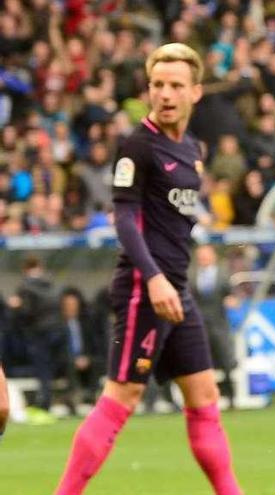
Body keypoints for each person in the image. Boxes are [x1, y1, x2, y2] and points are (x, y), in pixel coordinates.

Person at [55, 43, 242, 495]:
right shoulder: (137, 145)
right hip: (145, 286)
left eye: (176, 85)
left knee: (204, 399)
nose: (165, 94)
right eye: (157, 84)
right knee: (122, 397)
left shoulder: (192, 148)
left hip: (177, 288)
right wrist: (154, 277)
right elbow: (123, 217)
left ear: (196, 92)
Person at [7, 256, 65, 413]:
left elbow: (26, 312)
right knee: (53, 368)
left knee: (42, 369)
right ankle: (58, 401)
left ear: (25, 269)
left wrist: (16, 306)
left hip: (39, 333)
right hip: (57, 331)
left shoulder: (25, 287)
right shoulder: (51, 283)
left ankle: (44, 403)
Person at [191, 244, 238, 408]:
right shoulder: (192, 275)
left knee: (225, 360)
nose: (203, 258)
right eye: (200, 255)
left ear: (213, 256)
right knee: (202, 363)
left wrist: (232, 299)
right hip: (198, 325)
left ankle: (231, 396)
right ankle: (205, 397)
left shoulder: (223, 274)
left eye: (206, 255)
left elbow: (232, 294)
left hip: (219, 324)